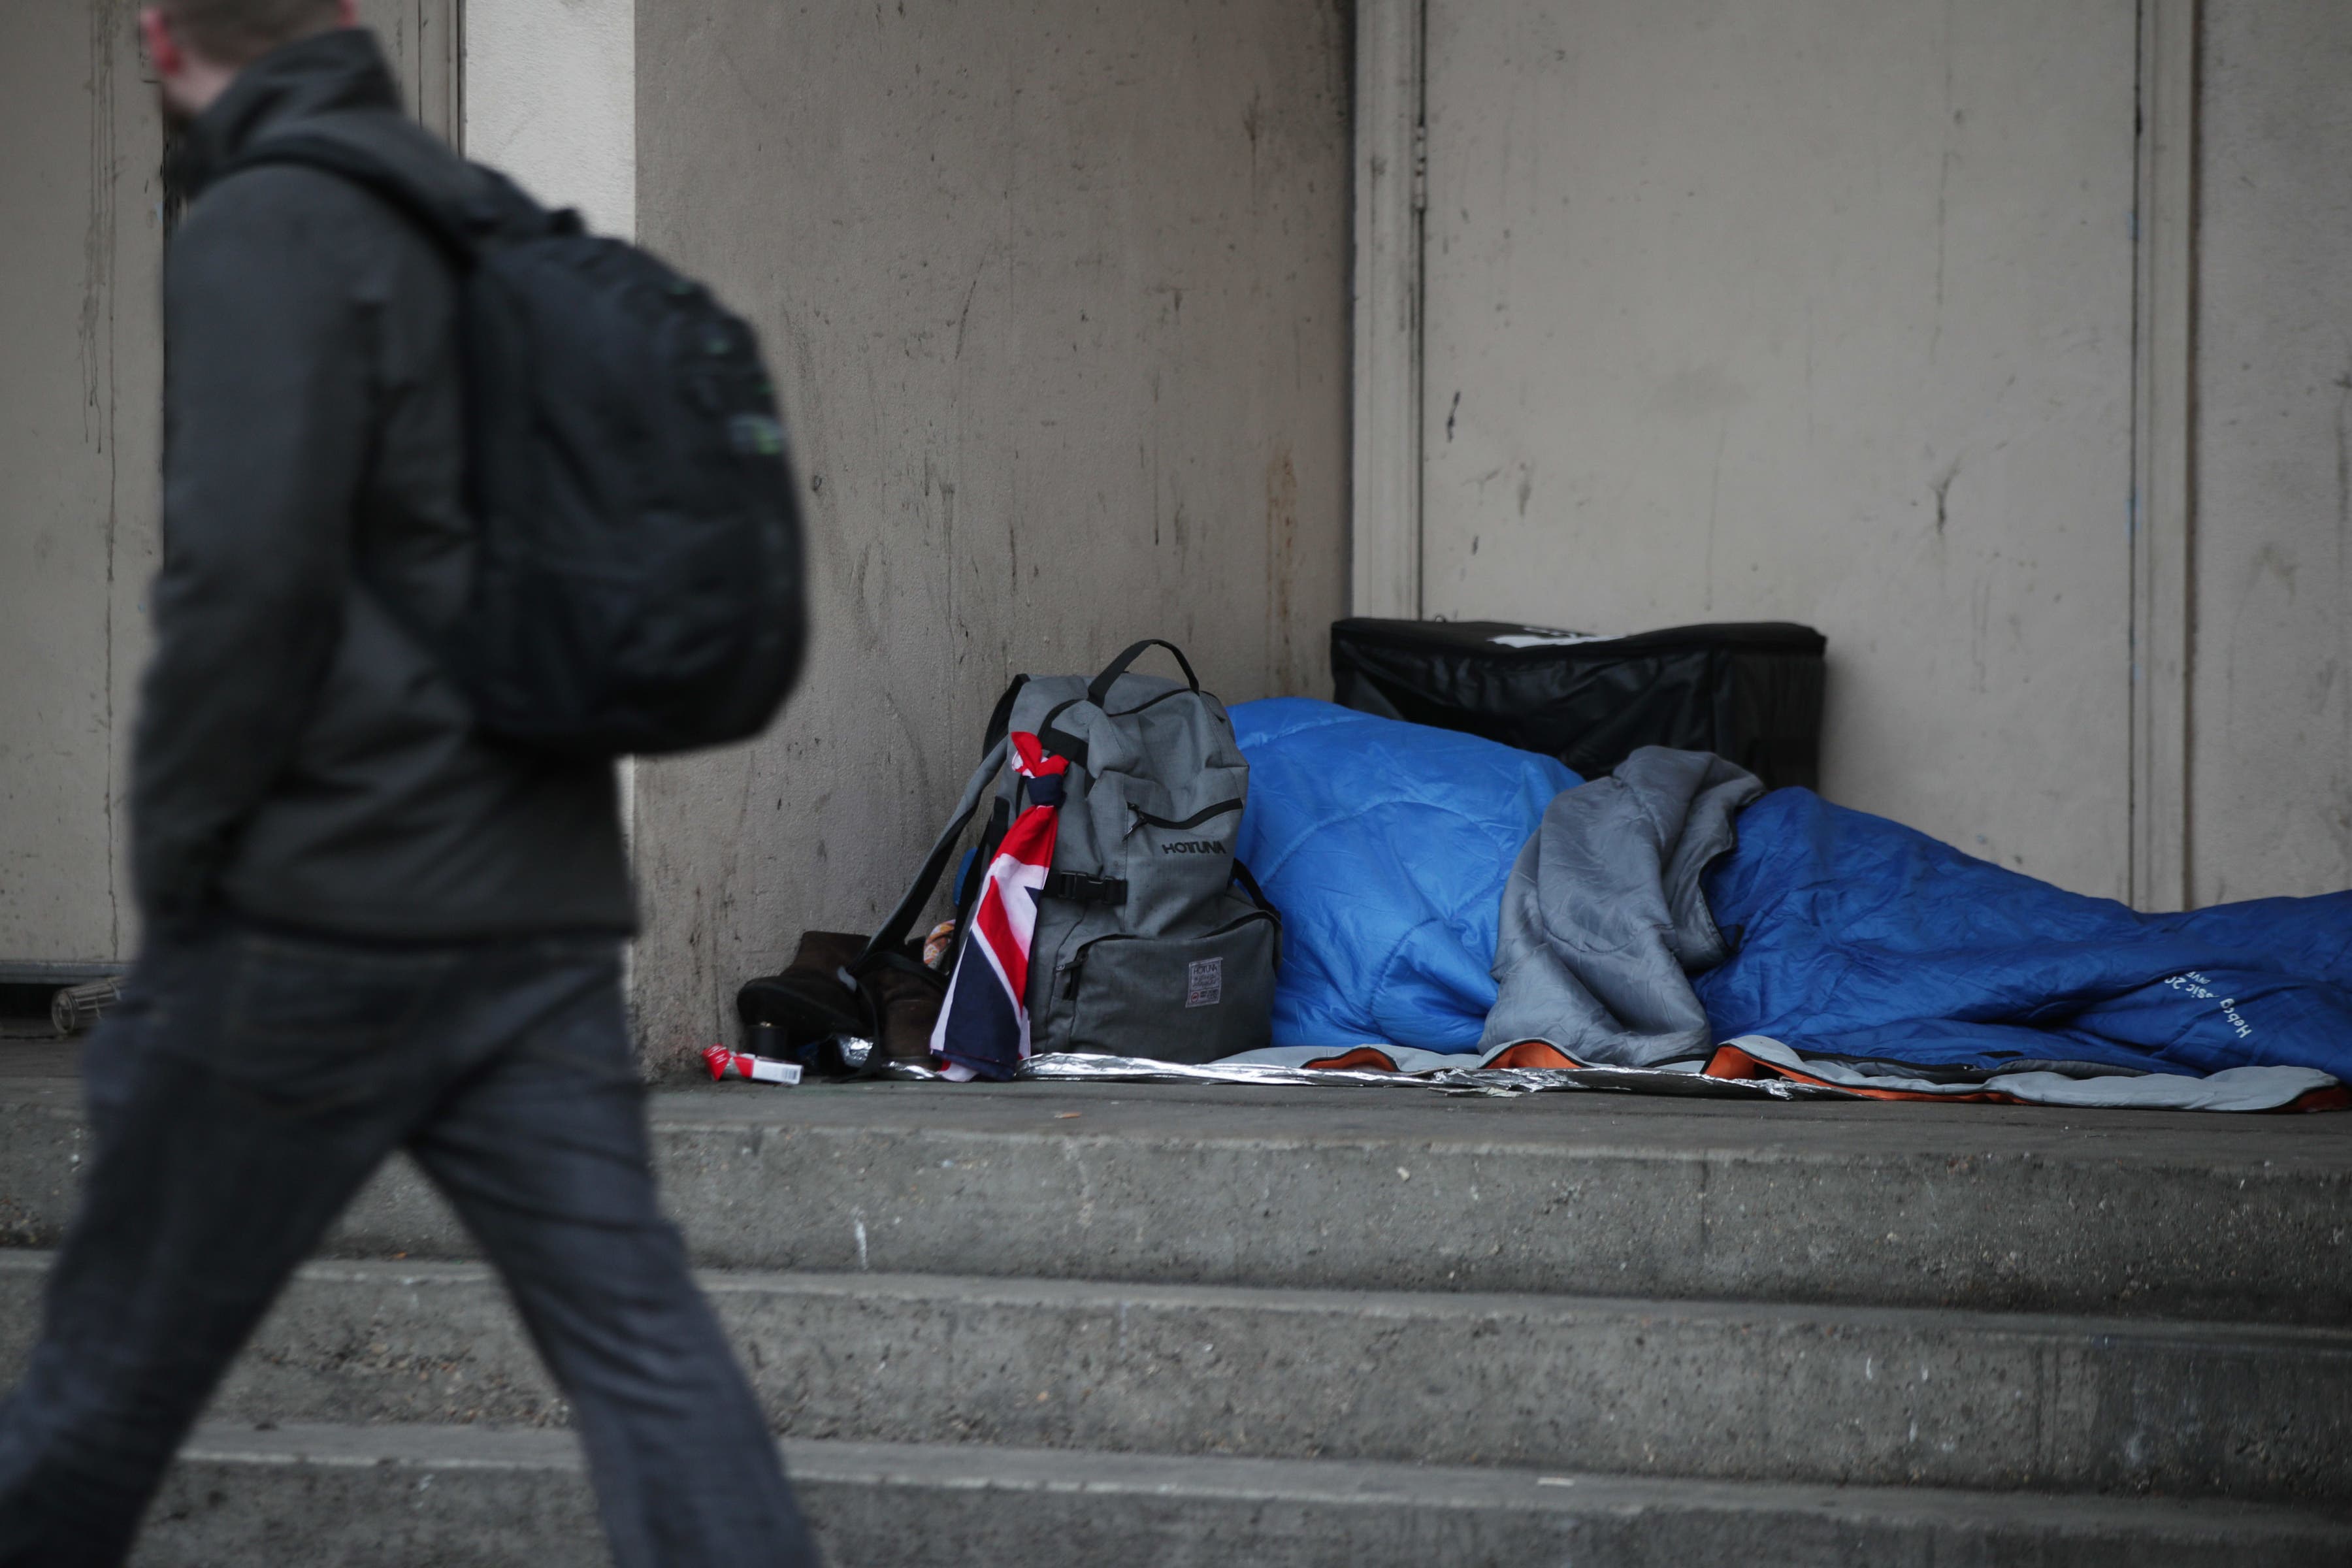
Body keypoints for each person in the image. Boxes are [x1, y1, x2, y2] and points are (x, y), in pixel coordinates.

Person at [0, 4, 821, 1564]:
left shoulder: (267, 224)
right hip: (538, 910)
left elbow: (244, 585)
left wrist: (179, 871)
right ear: (352, 27)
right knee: (646, 1360)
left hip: (317, 918)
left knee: (102, 1387)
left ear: (162, 43)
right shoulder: (474, 215)